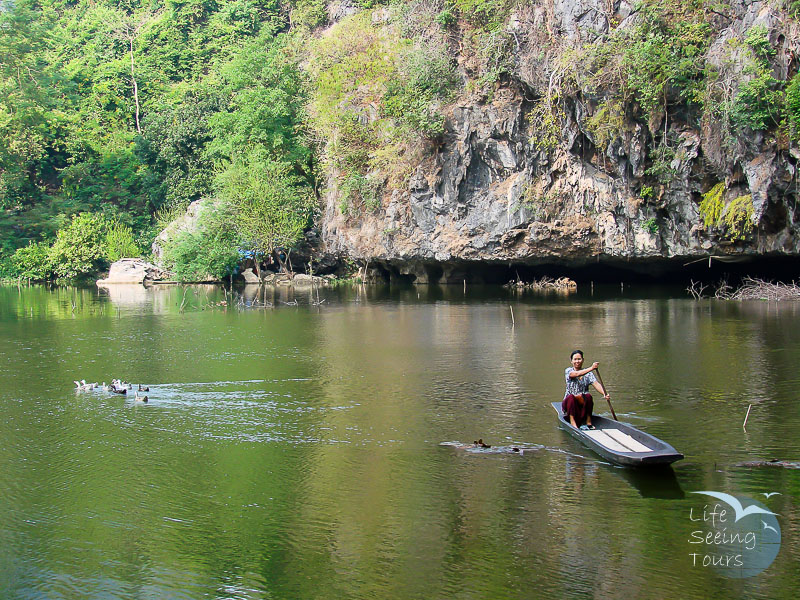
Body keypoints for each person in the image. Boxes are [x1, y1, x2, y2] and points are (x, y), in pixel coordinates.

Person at [563, 350, 610, 430]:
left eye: (579, 359)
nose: (577, 361)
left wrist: (604, 394)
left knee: (588, 396)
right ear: (571, 361)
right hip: (570, 403)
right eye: (575, 359)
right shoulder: (568, 371)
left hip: (582, 402)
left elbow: (596, 384)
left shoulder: (589, 374)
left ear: (583, 360)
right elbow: (576, 374)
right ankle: (572, 421)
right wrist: (591, 368)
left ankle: (588, 421)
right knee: (571, 397)